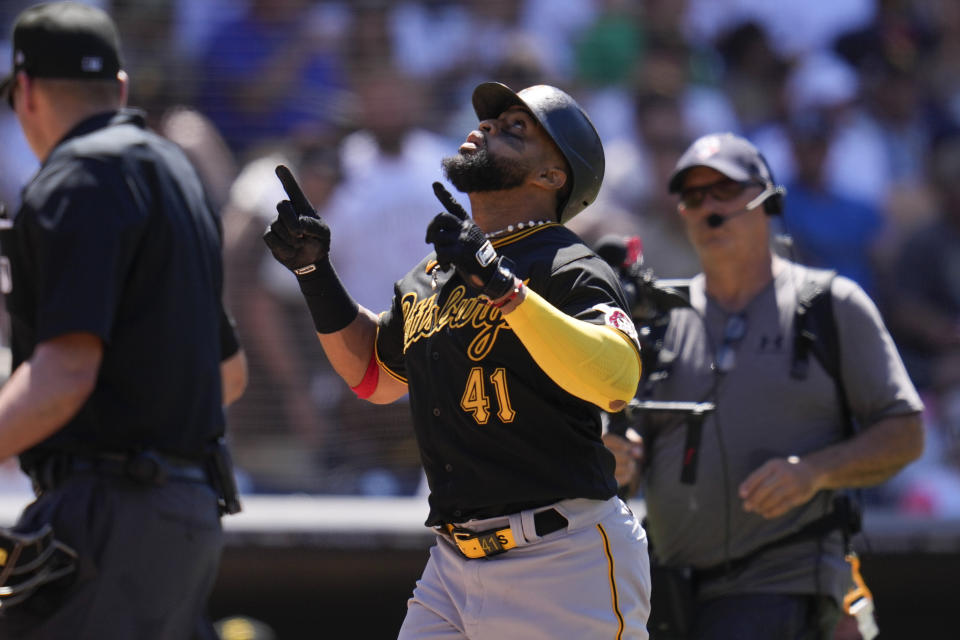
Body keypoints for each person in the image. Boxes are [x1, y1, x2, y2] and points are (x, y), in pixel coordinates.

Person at [264, 81, 651, 638]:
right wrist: (313, 272)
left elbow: (617, 380)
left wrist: (500, 283)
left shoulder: (568, 263)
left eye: (516, 128)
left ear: (552, 176)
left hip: (564, 558)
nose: (487, 128)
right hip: (453, 563)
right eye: (490, 123)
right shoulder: (435, 271)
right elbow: (376, 378)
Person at [604, 132, 925, 639]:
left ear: (767, 200)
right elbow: (629, 459)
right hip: (667, 593)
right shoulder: (660, 319)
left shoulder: (828, 305)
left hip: (784, 580)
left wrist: (814, 472)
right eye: (693, 195)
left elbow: (906, 431)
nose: (708, 207)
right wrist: (621, 458)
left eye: (724, 191)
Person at [0, 3, 247, 638]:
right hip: (184, 519)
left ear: (23, 91)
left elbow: (64, 377)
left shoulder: (75, 177)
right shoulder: (176, 175)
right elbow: (228, 374)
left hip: (110, 514)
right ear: (119, 89)